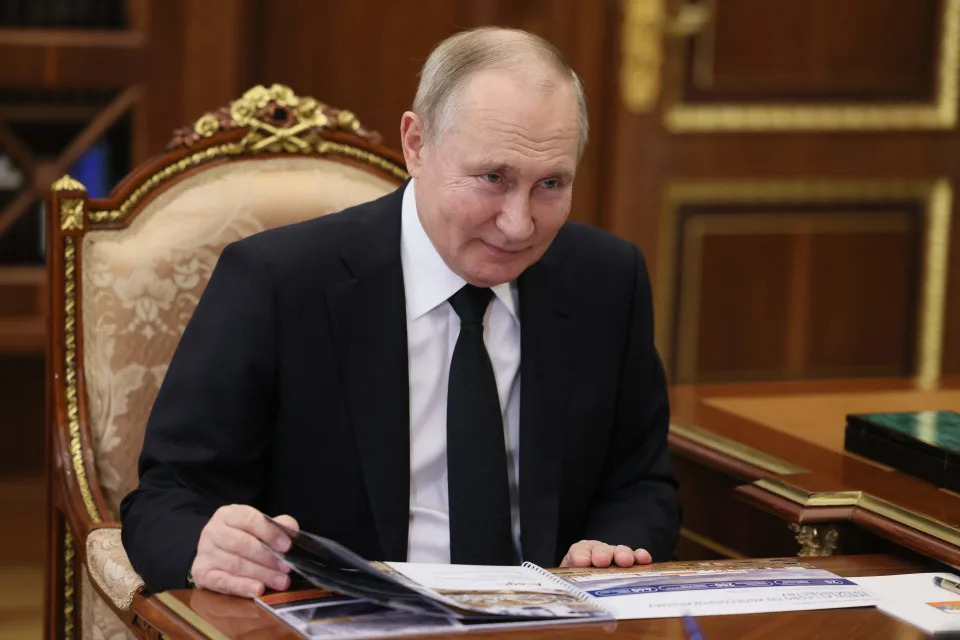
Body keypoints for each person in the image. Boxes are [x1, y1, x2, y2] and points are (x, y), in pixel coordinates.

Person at [120, 27, 679, 598]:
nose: (519, 224)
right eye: (493, 178)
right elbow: (168, 497)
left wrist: (613, 546)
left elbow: (639, 483)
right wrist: (207, 547)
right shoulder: (278, 282)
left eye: (551, 184)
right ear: (416, 144)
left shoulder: (607, 280)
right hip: (343, 617)